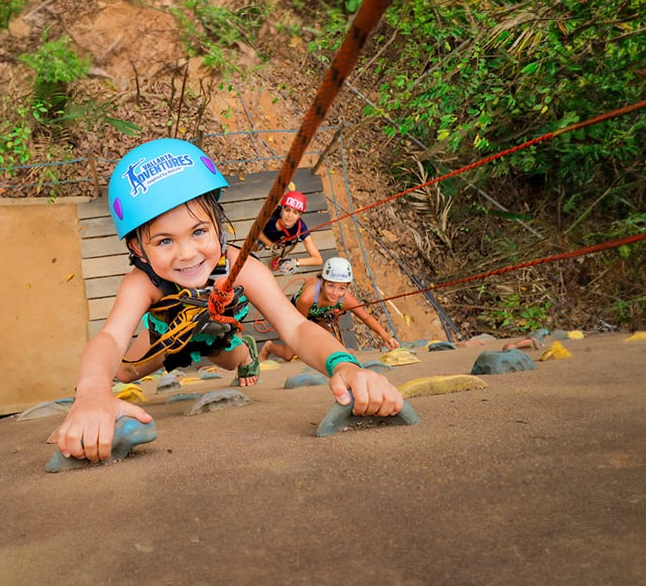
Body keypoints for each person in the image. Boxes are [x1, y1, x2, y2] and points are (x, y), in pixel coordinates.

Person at [53, 139, 406, 463]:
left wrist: (344, 365)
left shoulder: (241, 267)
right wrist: (92, 395)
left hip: (219, 334)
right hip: (165, 337)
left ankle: (247, 354)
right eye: (164, 241)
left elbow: (296, 327)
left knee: (234, 358)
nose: (187, 254)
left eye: (199, 231)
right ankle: (84, 404)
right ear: (136, 248)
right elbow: (112, 338)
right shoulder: (143, 281)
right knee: (121, 371)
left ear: (219, 226)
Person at [261, 257, 402, 362]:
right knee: (288, 354)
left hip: (320, 315)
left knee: (330, 342)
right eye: (331, 286)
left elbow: (365, 317)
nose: (335, 293)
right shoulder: (307, 297)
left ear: (347, 287)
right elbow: (300, 325)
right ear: (323, 282)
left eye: (341, 288)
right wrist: (288, 333)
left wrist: (385, 337)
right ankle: (268, 347)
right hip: (299, 314)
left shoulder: (346, 299)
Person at [258, 189, 324, 273]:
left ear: (299, 216)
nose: (290, 216)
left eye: (295, 212)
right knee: (256, 248)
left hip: (284, 244)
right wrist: (271, 245)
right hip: (265, 235)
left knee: (281, 253)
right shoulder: (269, 216)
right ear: (282, 209)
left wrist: (295, 262)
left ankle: (277, 259)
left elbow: (318, 260)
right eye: (287, 210)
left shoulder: (300, 229)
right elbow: (256, 231)